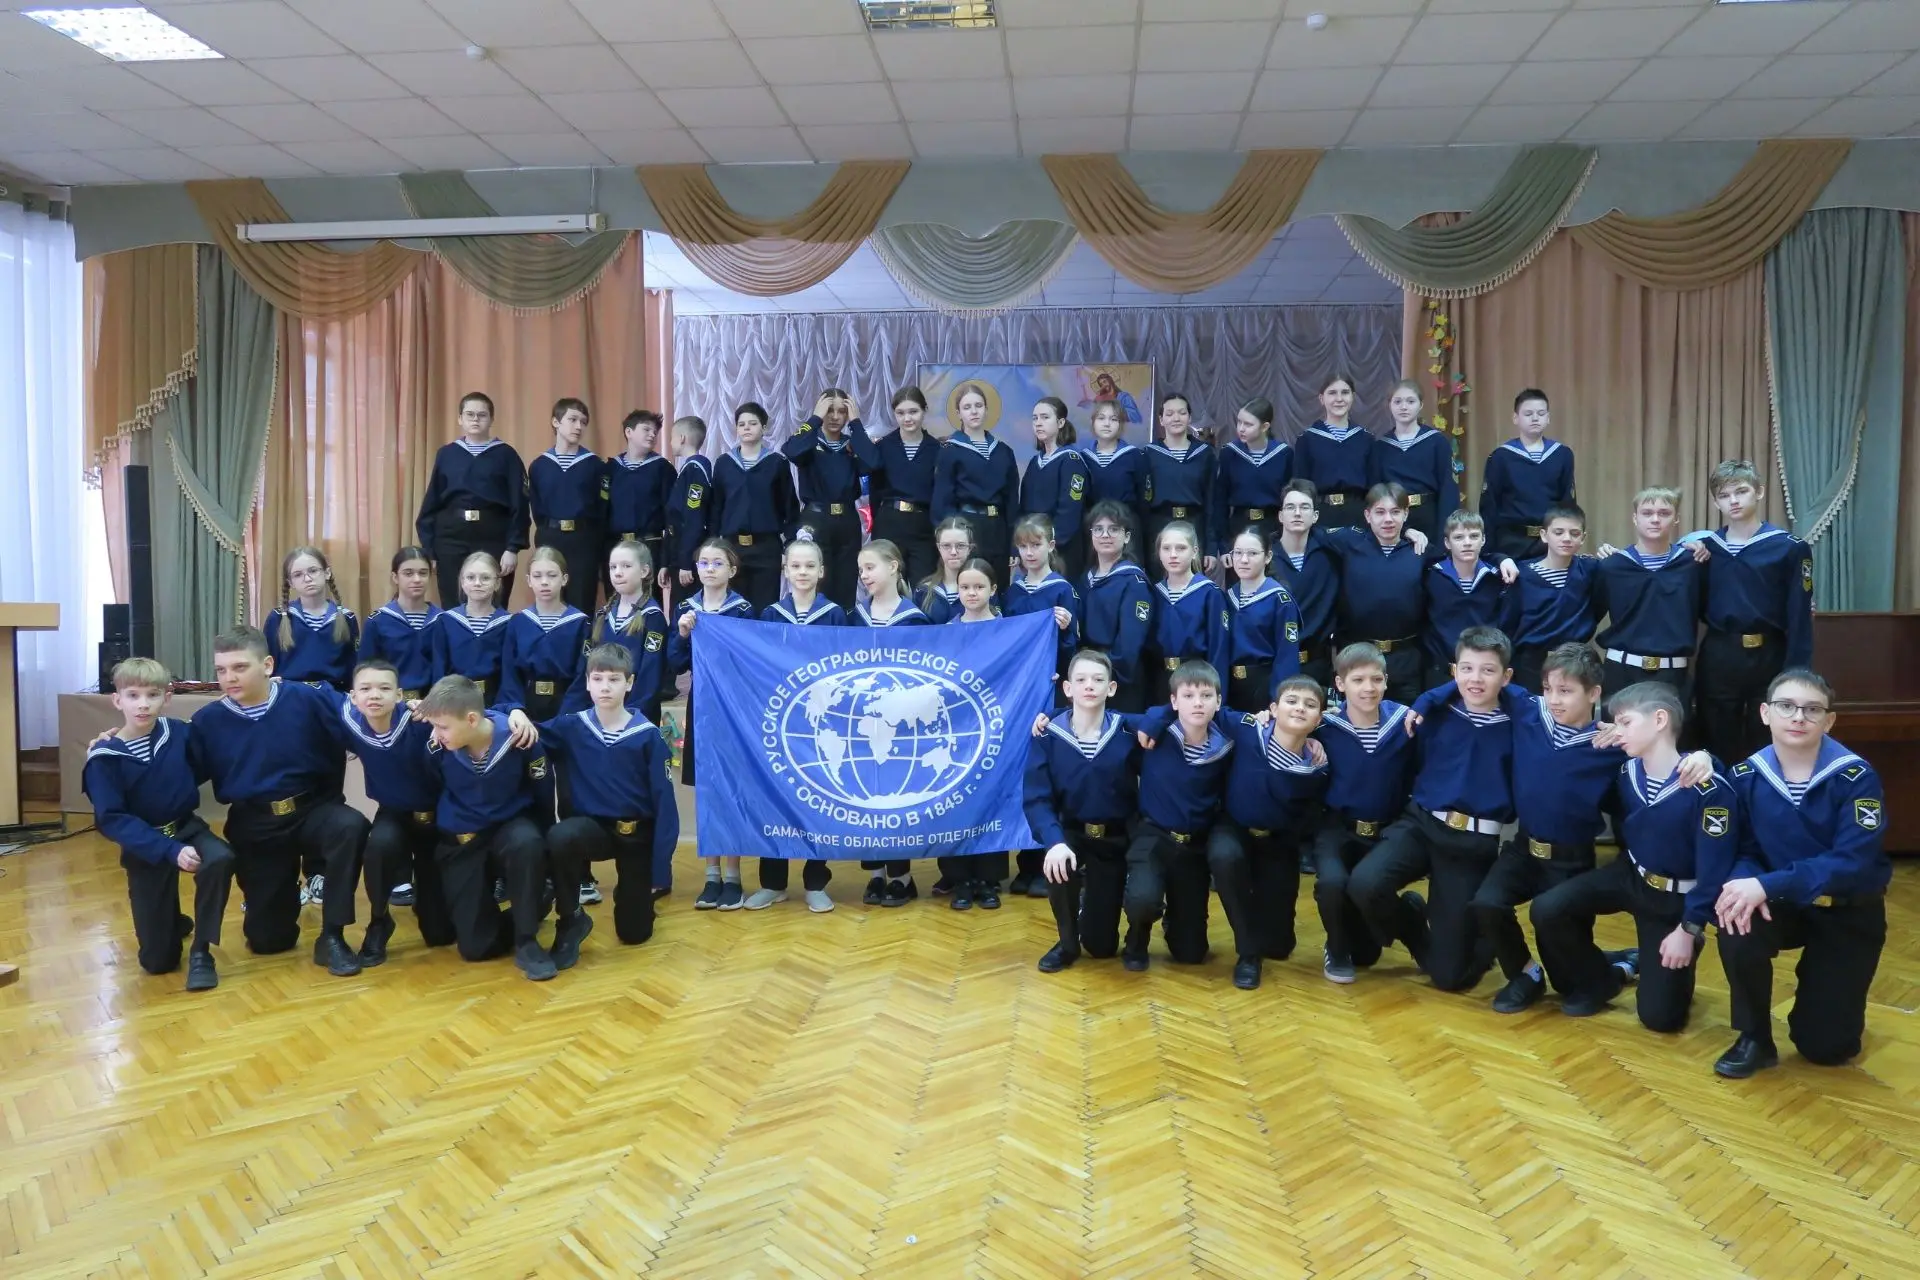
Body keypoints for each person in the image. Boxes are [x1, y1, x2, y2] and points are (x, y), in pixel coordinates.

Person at [1441, 643, 1711, 1013]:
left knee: (1568, 978)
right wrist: (1423, 703)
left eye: (1565, 691)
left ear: (1594, 693)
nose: (1554, 699)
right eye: (1548, 689)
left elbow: (1669, 755)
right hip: (1523, 849)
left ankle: (1613, 972)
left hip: (1570, 859)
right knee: (1487, 903)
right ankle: (1525, 974)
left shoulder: (1615, 743)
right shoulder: (1528, 709)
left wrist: (1703, 757)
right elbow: (1478, 680)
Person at [1713, 669, 1891, 1078]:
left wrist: (1767, 883)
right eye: (1786, 706)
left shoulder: (1856, 777)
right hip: (1783, 903)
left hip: (1847, 910)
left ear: (1829, 721)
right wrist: (1744, 884)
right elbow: (1745, 850)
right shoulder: (1746, 777)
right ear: (1765, 713)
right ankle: (1754, 1036)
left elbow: (1852, 861)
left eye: (1812, 709)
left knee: (1826, 1048)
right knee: (1735, 917)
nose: (1798, 717)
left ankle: (1820, 1006)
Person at [1530, 682, 1734, 1030]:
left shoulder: (1709, 789)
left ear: (1659, 720)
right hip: (1631, 875)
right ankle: (1603, 978)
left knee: (1660, 1019)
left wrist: (1689, 927)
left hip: (1675, 900)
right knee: (1548, 909)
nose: (1617, 732)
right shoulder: (1627, 771)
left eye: (1625, 722)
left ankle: (1684, 947)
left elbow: (1715, 871)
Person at [188, 627, 372, 976]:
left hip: (313, 810)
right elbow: (177, 771)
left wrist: (413, 716)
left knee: (351, 826)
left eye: (240, 667)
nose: (229, 678)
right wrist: (119, 745)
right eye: (221, 670)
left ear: (268, 665)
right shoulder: (207, 721)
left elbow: (366, 727)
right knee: (269, 941)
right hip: (256, 825)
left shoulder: (310, 698)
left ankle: (332, 935)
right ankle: (281, 897)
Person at [1348, 625, 1517, 992]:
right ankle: (1411, 922)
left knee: (1450, 978)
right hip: (1421, 824)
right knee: (1365, 884)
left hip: (1471, 844)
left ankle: (1479, 940)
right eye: (1467, 669)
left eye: (1488, 671)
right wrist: (1433, 697)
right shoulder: (1435, 712)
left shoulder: (1521, 722)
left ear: (1506, 677)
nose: (1476, 679)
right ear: (1454, 670)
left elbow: (1539, 703)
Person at [1157, 676, 1329, 990]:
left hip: (1278, 842)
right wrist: (1153, 718)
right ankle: (1247, 954)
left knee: (1279, 947)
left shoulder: (1318, 765)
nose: (1299, 709)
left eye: (1310, 705)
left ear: (1319, 719)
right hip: (1233, 828)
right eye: (1291, 701)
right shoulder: (1248, 729)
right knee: (1224, 858)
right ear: (1273, 709)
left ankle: (1262, 928)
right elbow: (1200, 706)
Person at [418, 676, 588, 982]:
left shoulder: (519, 740)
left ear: (472, 720)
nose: (436, 734)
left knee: (527, 841)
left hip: (508, 830)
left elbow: (542, 794)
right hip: (464, 838)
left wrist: (544, 859)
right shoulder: (437, 748)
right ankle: (533, 906)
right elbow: (432, 788)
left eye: (442, 727)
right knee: (474, 947)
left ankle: (527, 941)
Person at [83, 657, 234, 992]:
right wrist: (169, 850)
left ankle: (202, 951)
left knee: (221, 858)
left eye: (152, 695)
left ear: (166, 697)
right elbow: (112, 819)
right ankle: (170, 923)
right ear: (117, 700)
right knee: (158, 962)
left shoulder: (178, 733)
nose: (143, 704)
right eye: (133, 695)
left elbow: (204, 761)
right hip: (146, 845)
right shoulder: (104, 758)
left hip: (186, 828)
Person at [528, 645, 679, 948]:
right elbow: (529, 733)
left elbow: (665, 806)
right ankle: (570, 916)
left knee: (634, 934)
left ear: (630, 683)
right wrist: (514, 713)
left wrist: (660, 867)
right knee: (561, 836)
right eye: (597, 679)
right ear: (587, 683)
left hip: (636, 835)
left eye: (614, 679)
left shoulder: (648, 736)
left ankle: (634, 896)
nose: (605, 687)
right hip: (593, 830)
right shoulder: (572, 726)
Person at [324, 658, 456, 963]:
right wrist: (273, 683)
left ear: (399, 695)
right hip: (394, 814)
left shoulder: (423, 722)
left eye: (384, 688)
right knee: (379, 845)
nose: (374, 695)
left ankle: (430, 903)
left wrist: (514, 713)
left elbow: (472, 716)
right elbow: (315, 693)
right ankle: (379, 920)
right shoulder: (350, 722)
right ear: (353, 696)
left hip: (437, 818)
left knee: (440, 935)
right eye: (365, 689)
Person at [1692, 459, 1815, 767]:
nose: (1733, 501)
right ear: (1715, 502)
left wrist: (1797, 671)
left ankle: (1762, 795)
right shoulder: (1706, 549)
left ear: (1759, 492)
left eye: (1741, 491)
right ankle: (1721, 797)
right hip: (1720, 653)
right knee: (1715, 738)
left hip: (1770, 653)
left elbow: (1800, 616)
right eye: (1724, 495)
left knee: (1768, 739)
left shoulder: (1789, 547)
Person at [1027, 650, 1144, 973]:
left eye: (1098, 680)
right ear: (1068, 688)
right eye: (1080, 680)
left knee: (1102, 947)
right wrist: (1054, 841)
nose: (1089, 686)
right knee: (1058, 863)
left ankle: (1090, 916)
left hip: (1113, 840)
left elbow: (1171, 717)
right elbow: (1037, 798)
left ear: (1111, 688)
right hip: (1071, 835)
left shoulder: (1127, 731)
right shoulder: (1048, 735)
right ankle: (1066, 942)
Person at [747, 540, 847, 913]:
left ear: (821, 571)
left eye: (809, 566)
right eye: (796, 566)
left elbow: (845, 666)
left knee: (819, 799)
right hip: (779, 720)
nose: (802, 572)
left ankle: (816, 882)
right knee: (775, 798)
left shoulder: (835, 615)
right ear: (785, 570)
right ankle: (772, 883)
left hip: (822, 721)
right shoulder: (770, 615)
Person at [1310, 644, 1417, 984]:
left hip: (1387, 830)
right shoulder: (1324, 726)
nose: (1368, 688)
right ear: (1340, 684)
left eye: (1376, 679)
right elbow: (1280, 728)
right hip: (1338, 829)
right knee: (1331, 882)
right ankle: (1336, 947)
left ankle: (1409, 919)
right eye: (1357, 680)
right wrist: (1269, 717)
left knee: (1368, 952)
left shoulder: (1405, 723)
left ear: (1386, 680)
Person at [1123, 660, 1235, 971]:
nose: (1198, 703)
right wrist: (1050, 715)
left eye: (1206, 696)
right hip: (1153, 836)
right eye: (1188, 696)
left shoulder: (1227, 743)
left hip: (1194, 845)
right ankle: (1137, 937)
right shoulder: (1156, 732)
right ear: (1173, 702)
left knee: (1191, 953)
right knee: (1144, 899)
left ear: (1218, 701)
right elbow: (1103, 715)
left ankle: (1175, 922)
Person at [670, 538, 756, 910]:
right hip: (700, 704)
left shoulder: (744, 610)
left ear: (732, 570)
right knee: (707, 788)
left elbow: (752, 660)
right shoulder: (686, 608)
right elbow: (674, 662)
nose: (709, 569)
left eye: (717, 563)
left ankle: (733, 877)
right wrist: (682, 634)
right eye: (703, 562)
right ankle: (711, 875)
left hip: (733, 707)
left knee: (731, 788)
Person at [853, 539, 930, 901]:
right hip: (864, 719)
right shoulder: (856, 617)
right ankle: (876, 874)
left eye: (870, 567)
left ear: (893, 567)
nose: (864, 575)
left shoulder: (914, 619)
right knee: (866, 792)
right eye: (861, 570)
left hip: (899, 721)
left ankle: (902, 876)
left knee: (895, 795)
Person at [1319, 483, 1430, 704]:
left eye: (1395, 512)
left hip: (1406, 661)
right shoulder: (1349, 543)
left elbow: (1463, 556)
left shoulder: (1420, 550)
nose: (1388, 519)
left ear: (1406, 514)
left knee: (1405, 722)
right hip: (1357, 656)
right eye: (1380, 512)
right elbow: (1310, 531)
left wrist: (1498, 559)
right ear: (1367, 515)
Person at [417, 391, 528, 607]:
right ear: (460, 419)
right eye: (470, 414)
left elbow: (520, 504)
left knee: (493, 603)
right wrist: (430, 550)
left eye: (482, 415)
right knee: (453, 605)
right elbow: (432, 503)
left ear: (492, 419)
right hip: (451, 539)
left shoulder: (506, 455)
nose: (475, 419)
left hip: (493, 538)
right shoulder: (447, 454)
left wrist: (512, 548)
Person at [1592, 487, 1702, 701]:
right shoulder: (1612, 566)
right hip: (1621, 671)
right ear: (1635, 518)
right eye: (1647, 513)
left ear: (1676, 518)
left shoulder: (1693, 564)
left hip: (1673, 674)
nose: (1655, 519)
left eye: (1664, 513)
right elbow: (1591, 613)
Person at [562, 538, 669, 729]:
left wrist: (628, 718)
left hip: (636, 718)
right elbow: (586, 668)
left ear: (644, 571)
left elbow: (650, 676)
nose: (618, 572)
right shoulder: (603, 615)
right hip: (600, 713)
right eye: (613, 567)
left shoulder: (652, 617)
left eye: (626, 566)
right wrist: (570, 714)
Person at [784, 388, 874, 611]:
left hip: (846, 521)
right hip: (816, 519)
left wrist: (856, 424)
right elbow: (791, 450)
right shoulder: (809, 443)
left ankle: (842, 628)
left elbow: (873, 463)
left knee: (846, 584)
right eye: (829, 410)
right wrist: (815, 418)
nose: (835, 417)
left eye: (842, 411)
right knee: (816, 583)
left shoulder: (852, 444)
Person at [932, 381, 1020, 589]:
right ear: (958, 413)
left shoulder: (1003, 451)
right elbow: (942, 501)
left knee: (997, 587)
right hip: (967, 527)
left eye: (978, 406)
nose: (974, 411)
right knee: (970, 586)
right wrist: (950, 539)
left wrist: (1013, 544)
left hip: (997, 528)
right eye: (967, 407)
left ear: (986, 409)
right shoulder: (950, 450)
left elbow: (1011, 501)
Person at [713, 401, 798, 614]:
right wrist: (714, 545)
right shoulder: (724, 463)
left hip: (766, 547)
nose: (747, 428)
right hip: (732, 547)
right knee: (733, 608)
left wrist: (789, 545)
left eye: (753, 423)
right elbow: (716, 507)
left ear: (764, 428)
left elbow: (790, 506)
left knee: (765, 608)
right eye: (742, 424)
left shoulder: (777, 463)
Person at [1504, 504, 1598, 695]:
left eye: (1574, 533)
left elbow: (1599, 606)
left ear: (1583, 538)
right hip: (1530, 665)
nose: (1566, 538)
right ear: (1544, 535)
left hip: (1575, 663)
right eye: (1558, 532)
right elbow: (1508, 624)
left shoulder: (1590, 570)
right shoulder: (1520, 575)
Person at [1421, 509, 1517, 692]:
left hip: (1485, 675)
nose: (1467, 543)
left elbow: (1508, 625)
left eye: (1474, 536)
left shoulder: (1498, 578)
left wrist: (1502, 559)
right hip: (1440, 673)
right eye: (1458, 537)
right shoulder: (1430, 575)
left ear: (1483, 539)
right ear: (1447, 543)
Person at [528, 397, 606, 615]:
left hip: (583, 540)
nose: (579, 426)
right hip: (550, 537)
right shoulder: (539, 465)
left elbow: (602, 508)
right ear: (556, 422)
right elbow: (536, 506)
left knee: (581, 602)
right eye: (573, 419)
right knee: (549, 598)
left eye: (583, 422)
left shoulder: (595, 465)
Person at [497, 546, 589, 726]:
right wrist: (516, 709)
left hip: (566, 708)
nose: (544, 582)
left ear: (564, 579)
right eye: (537, 576)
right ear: (529, 580)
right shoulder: (518, 622)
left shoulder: (580, 624)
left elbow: (582, 676)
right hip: (526, 709)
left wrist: (566, 717)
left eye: (552, 575)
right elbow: (510, 673)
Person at [1481, 388, 1574, 563]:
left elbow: (1567, 503)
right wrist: (1491, 553)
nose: (1535, 418)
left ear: (1548, 418)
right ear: (1516, 418)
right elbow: (1489, 506)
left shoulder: (1562, 454)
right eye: (1528, 414)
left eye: (1541, 413)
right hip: (1511, 542)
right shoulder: (1501, 456)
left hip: (1550, 542)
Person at [1078, 502, 1153, 714]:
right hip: (1087, 674)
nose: (1105, 535)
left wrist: (1102, 673)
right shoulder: (1085, 580)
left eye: (1114, 529)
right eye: (1098, 529)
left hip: (1118, 678)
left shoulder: (1133, 581)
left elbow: (1129, 643)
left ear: (1127, 537)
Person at [1145, 521, 1230, 708]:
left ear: (1194, 551)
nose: (1173, 554)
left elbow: (1219, 649)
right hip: (1160, 681)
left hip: (1197, 680)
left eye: (1181, 548)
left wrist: (1217, 695)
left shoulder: (1210, 593)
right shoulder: (1153, 593)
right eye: (1166, 548)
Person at [1222, 527, 1302, 714]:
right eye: (1238, 553)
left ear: (1267, 557)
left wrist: (1278, 700)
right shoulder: (1227, 596)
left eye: (1252, 553)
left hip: (1264, 687)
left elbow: (1287, 655)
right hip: (1230, 687)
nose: (1243, 560)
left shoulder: (1279, 599)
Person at [1369, 379, 1458, 543]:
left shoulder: (1436, 442)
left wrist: (1444, 535)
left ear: (1421, 405)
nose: (1404, 407)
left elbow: (1448, 490)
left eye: (1410, 401)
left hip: (1430, 518)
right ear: (1389, 405)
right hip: (1393, 520)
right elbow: (1375, 493)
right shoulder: (1380, 447)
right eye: (1397, 402)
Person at [869, 387, 942, 586]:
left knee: (924, 587)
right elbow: (875, 489)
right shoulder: (883, 446)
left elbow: (939, 493)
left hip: (923, 526)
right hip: (889, 523)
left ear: (924, 410)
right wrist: (879, 519)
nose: (907, 418)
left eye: (913, 412)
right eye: (900, 413)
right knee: (887, 585)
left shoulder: (937, 449)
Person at [264, 546, 360, 691]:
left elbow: (353, 667)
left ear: (327, 573)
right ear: (290, 582)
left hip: (333, 697)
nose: (307, 579)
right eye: (298, 575)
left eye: (313, 571)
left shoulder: (347, 618)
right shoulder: (278, 618)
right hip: (289, 695)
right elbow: (265, 663)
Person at [1272, 480, 1337, 691]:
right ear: (1281, 516)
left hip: (1318, 665)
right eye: (1290, 507)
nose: (1297, 513)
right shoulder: (1264, 556)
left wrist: (1408, 531)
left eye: (1304, 507)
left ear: (1315, 516)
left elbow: (1372, 536)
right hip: (1274, 664)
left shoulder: (1331, 552)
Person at [1209, 396, 1292, 559]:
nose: (1241, 428)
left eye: (1248, 424)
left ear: (1265, 426)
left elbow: (1289, 498)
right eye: (1239, 422)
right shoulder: (1229, 453)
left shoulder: (1283, 454)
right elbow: (1220, 501)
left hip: (1273, 528)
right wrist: (1224, 546)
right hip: (1239, 527)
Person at [1143, 393, 1214, 578]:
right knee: (1159, 586)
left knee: (1193, 585)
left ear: (1189, 417)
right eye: (1170, 413)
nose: (1176, 418)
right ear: (1161, 420)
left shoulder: (1204, 453)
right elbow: (1143, 502)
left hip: (1194, 525)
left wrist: (1212, 548)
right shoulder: (1149, 454)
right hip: (1159, 525)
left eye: (1182, 413)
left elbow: (1212, 501)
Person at [357, 546, 441, 700]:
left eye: (423, 573)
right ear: (395, 577)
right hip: (390, 704)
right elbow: (365, 671)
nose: (417, 579)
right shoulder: (378, 621)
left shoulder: (443, 620)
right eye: (408, 573)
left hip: (435, 703)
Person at [605, 409, 673, 600]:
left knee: (648, 600)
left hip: (649, 545)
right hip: (616, 545)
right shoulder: (611, 468)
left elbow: (671, 515)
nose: (652, 435)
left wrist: (666, 559)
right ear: (629, 432)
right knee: (616, 601)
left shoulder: (662, 468)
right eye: (646, 429)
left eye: (655, 432)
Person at [1004, 514, 1080, 685]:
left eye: (1036, 545)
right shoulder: (1013, 591)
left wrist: (1066, 628)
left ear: (1050, 545)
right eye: (1023, 546)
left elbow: (1072, 644)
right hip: (1016, 677)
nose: (1029, 553)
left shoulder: (1062, 589)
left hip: (1050, 676)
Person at [1020, 397, 1089, 582]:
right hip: (1034, 547)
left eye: (1045, 417)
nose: (1038, 423)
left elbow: (1069, 511)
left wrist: (1049, 545)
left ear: (1060, 422)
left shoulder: (1071, 460)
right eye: (1035, 418)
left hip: (1060, 551)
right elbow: (1024, 507)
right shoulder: (1035, 462)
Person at [428, 551, 511, 704]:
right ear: (462, 581)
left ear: (497, 583)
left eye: (485, 578)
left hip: (496, 704)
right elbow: (439, 670)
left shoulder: (508, 623)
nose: (477, 583)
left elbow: (509, 674)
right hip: (453, 702)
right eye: (470, 577)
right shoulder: (446, 621)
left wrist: (504, 708)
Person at [1291, 374, 1370, 530]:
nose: (1339, 399)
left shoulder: (1366, 439)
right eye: (1332, 393)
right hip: (1321, 514)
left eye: (1345, 392)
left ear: (1353, 397)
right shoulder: (1307, 439)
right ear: (1322, 399)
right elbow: (1301, 486)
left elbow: (1373, 485)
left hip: (1357, 514)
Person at [1082, 399, 1148, 541]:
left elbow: (1143, 499)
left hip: (1127, 526)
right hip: (1094, 528)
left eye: (1113, 419)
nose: (1107, 424)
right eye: (1101, 418)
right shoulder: (1083, 458)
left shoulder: (1134, 456)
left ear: (1121, 424)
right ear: (1093, 422)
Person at [664, 415, 714, 600]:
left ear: (682, 438)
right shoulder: (688, 469)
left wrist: (686, 562)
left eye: (671, 438)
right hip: (679, 553)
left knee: (685, 609)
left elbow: (694, 517)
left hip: (689, 558)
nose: (670, 443)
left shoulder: (696, 469)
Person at [918, 516, 976, 625]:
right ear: (938, 547)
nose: (953, 552)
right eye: (946, 546)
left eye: (960, 546)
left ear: (970, 548)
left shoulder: (982, 587)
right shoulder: (923, 590)